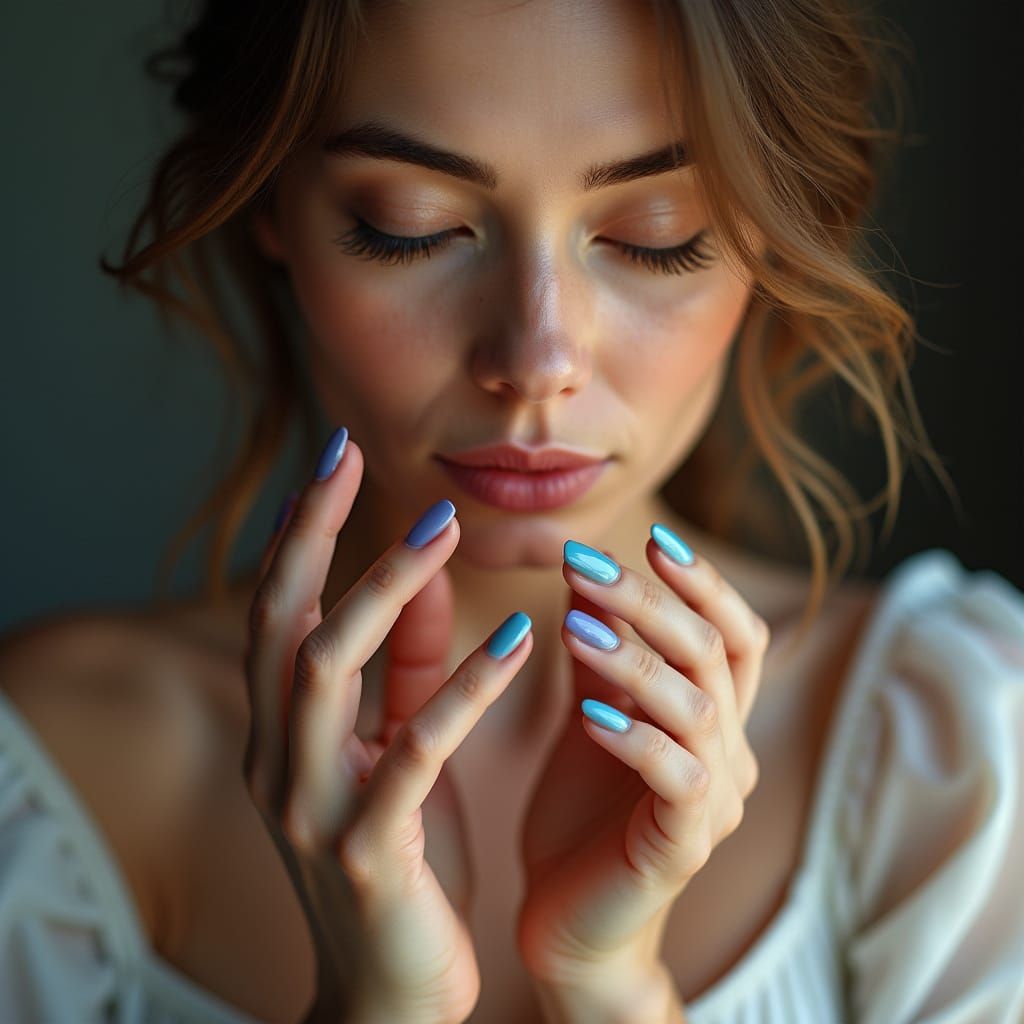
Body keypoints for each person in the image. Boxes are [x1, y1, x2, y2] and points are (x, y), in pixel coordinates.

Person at [1, 0, 1022, 1021]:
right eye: (411, 226)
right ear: (272, 203)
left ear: (768, 231)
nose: (538, 362)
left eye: (657, 238)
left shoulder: (956, 753)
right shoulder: (49, 779)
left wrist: (613, 988)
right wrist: (377, 1003)